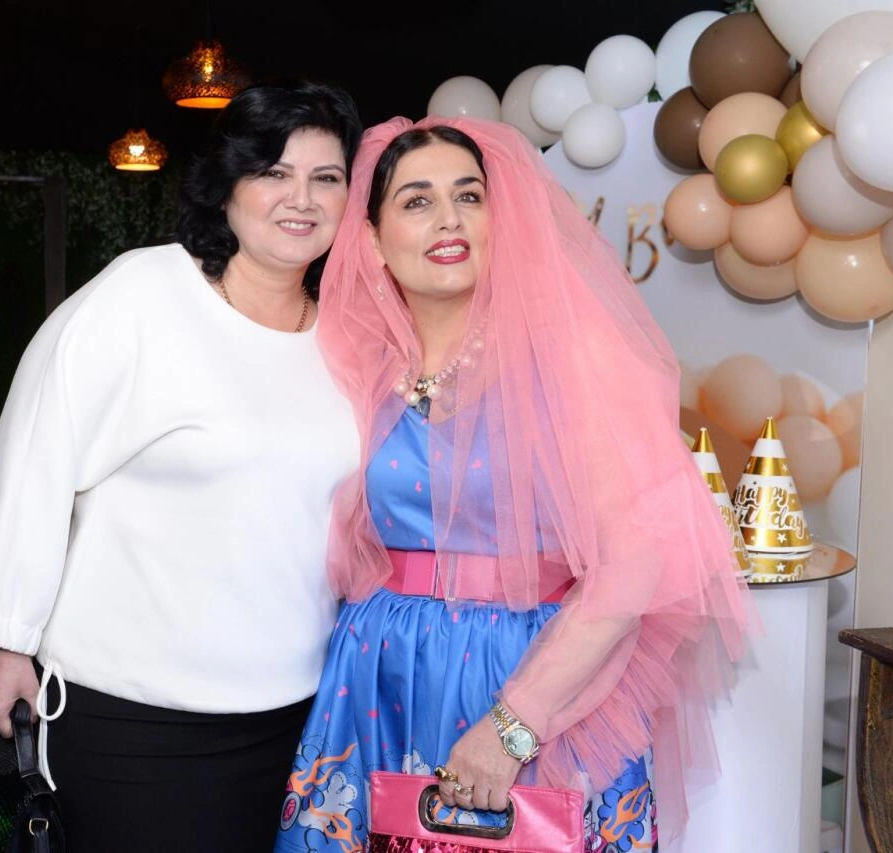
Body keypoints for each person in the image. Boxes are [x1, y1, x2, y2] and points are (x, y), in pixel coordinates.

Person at [274, 117, 753, 853]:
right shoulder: (354, 363)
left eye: (469, 196)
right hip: (376, 677)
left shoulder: (569, 356)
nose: (449, 219)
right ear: (370, 239)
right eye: (417, 201)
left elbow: (636, 560)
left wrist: (513, 724)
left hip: (526, 677)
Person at [0, 81, 363, 852]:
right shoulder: (144, 295)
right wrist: (6, 635)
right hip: (138, 719)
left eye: (326, 177)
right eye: (274, 172)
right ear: (228, 185)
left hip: (302, 712)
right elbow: (35, 454)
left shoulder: (349, 335)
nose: (301, 198)